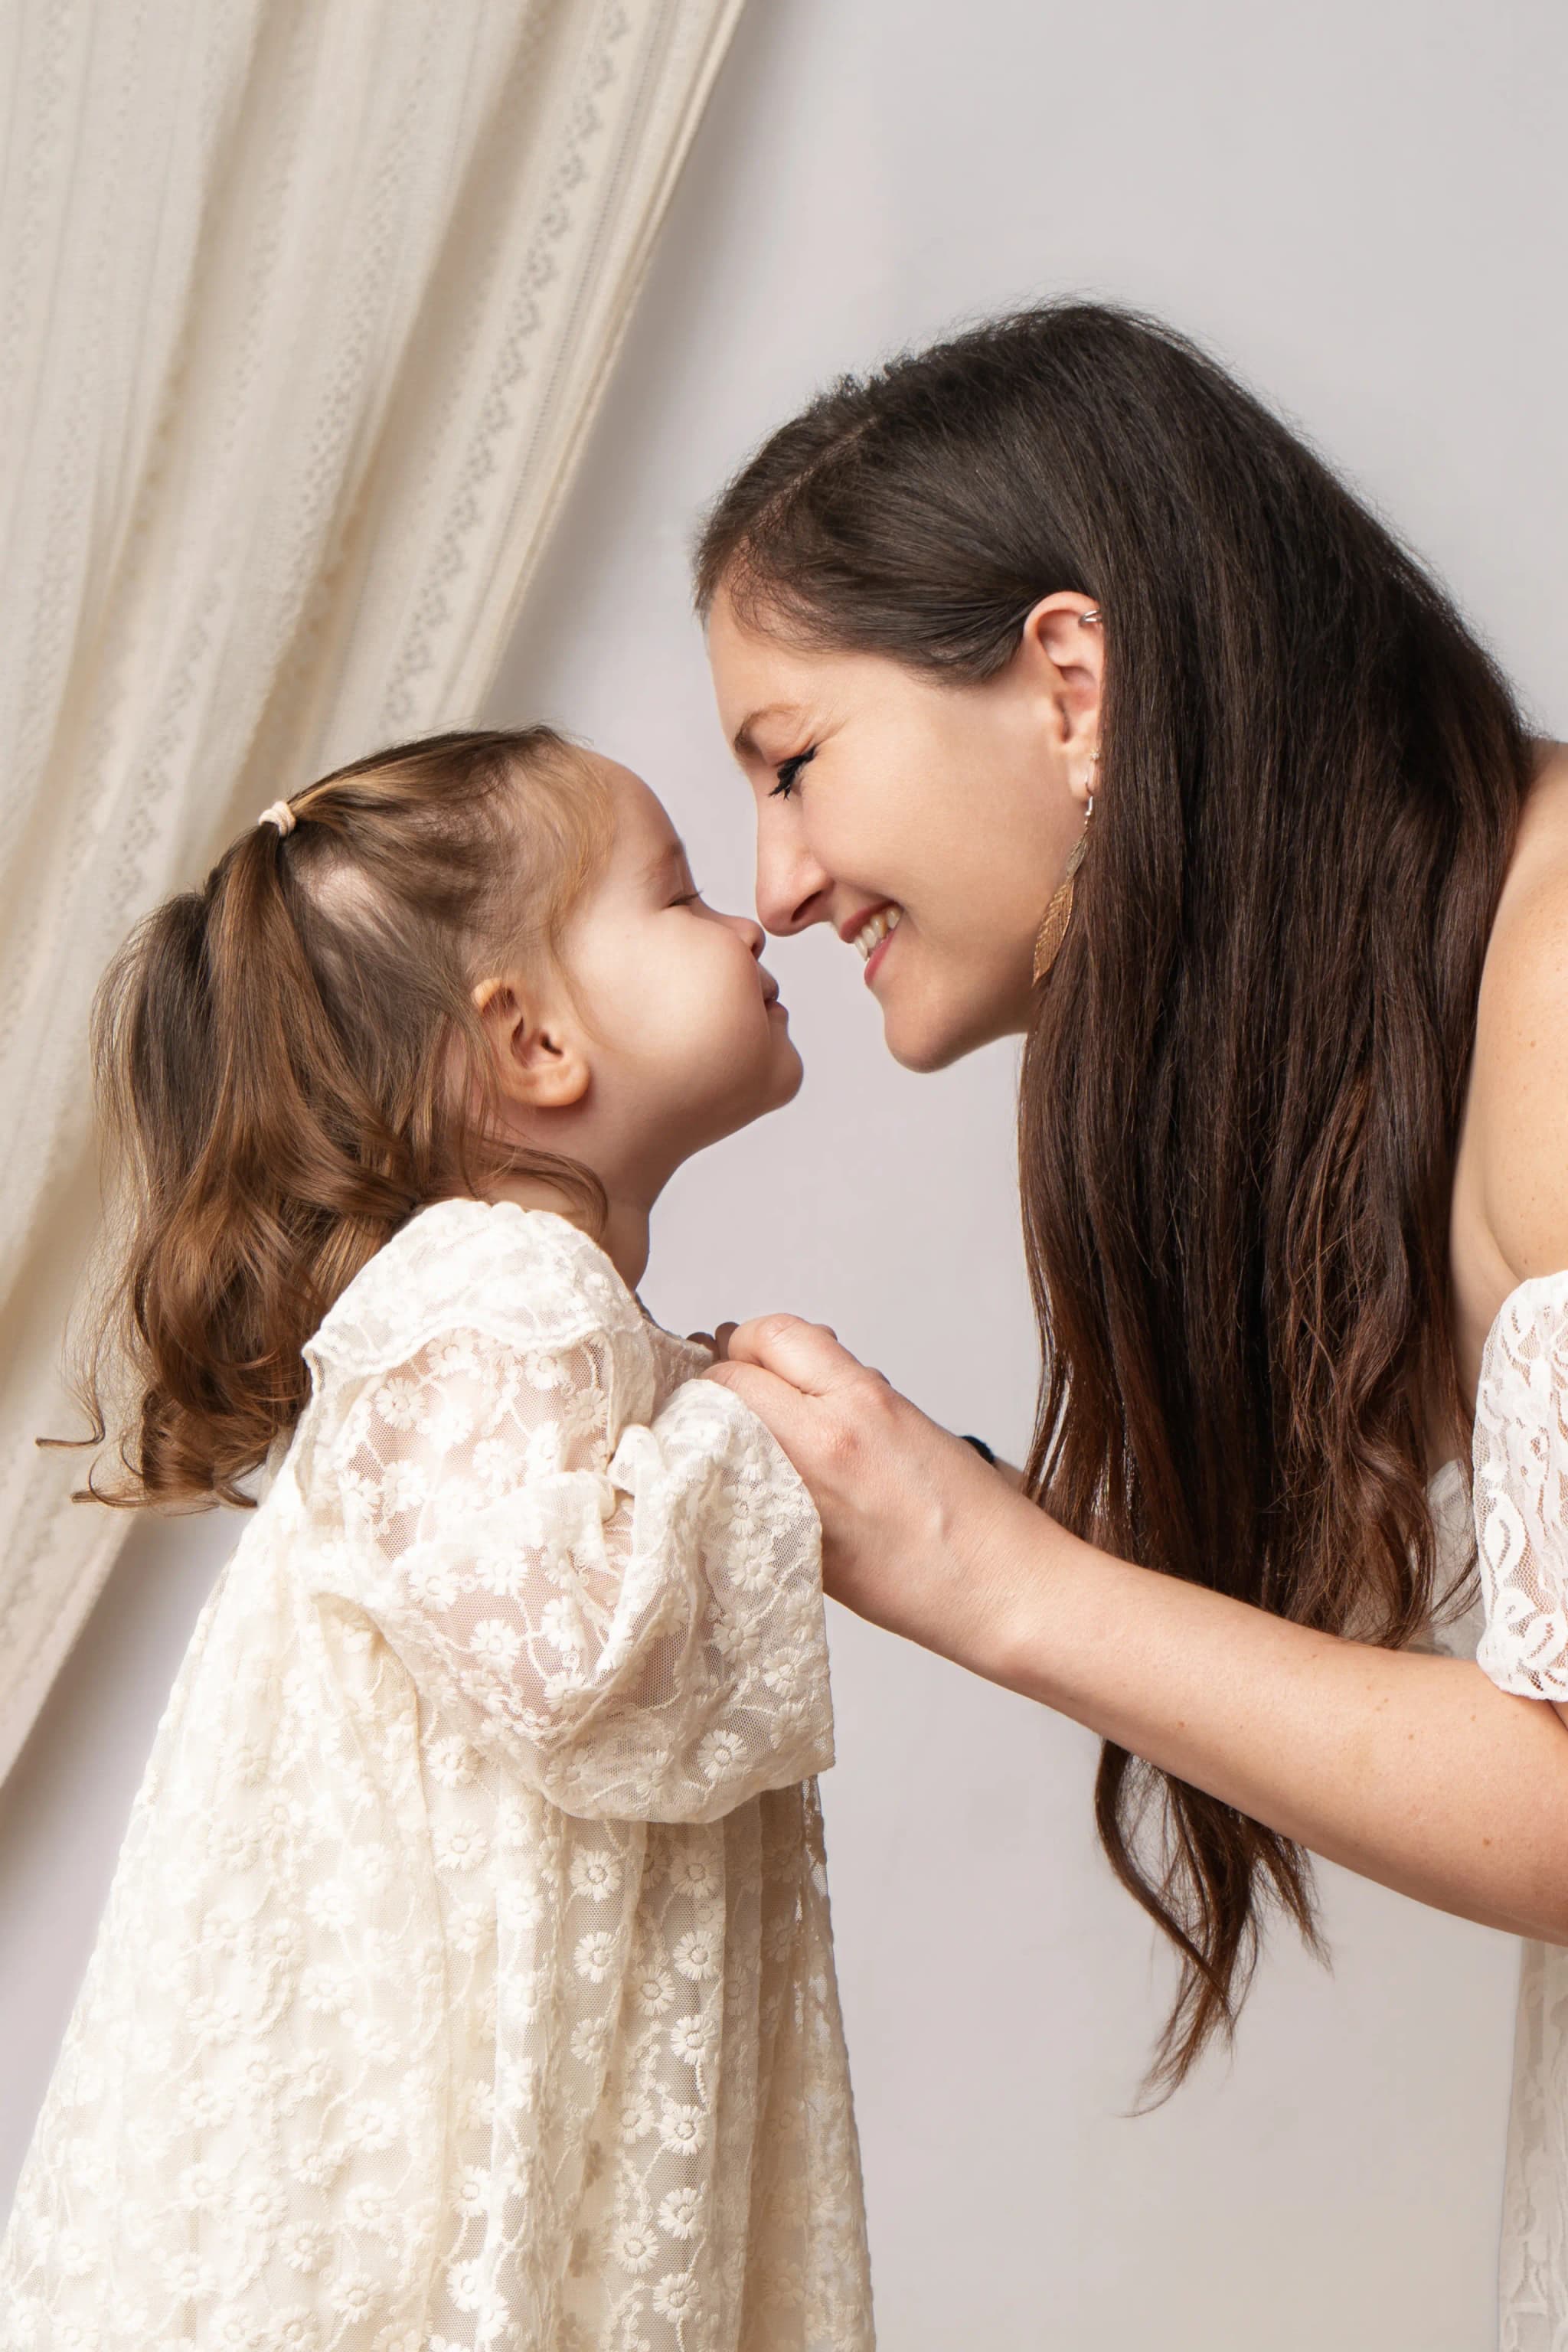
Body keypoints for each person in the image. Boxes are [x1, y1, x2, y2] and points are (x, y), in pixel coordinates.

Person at [694, 302, 1568, 2342]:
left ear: (1070, 685)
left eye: (795, 763)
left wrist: (999, 1584)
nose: (777, 885)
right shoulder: (1412, 1003)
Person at [0, 730, 874, 2352]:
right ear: (533, 1039)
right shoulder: (488, 1287)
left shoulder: (517, 1309)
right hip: (417, 2197)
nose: (750, 919)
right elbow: (573, 1658)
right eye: (680, 895)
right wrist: (765, 1443)